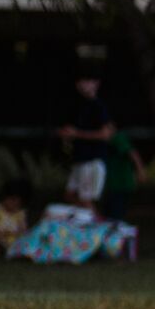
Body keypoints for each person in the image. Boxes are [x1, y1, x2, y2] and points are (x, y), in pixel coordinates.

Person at [58, 75, 115, 211]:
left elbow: (106, 134)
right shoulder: (80, 106)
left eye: (88, 81)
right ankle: (88, 219)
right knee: (69, 195)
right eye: (81, 81)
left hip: (92, 160)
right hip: (80, 159)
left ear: (96, 83)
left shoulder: (98, 106)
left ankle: (96, 226)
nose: (84, 85)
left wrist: (76, 133)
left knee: (85, 199)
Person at [100, 128, 145, 223]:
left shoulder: (118, 138)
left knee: (116, 214)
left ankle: (118, 234)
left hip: (121, 184)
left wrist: (140, 171)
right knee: (108, 214)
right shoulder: (104, 141)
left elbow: (132, 153)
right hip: (111, 185)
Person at [0, 180, 30, 257]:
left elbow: (23, 229)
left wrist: (17, 233)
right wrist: (0, 233)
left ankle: (14, 252)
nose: (14, 203)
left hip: (14, 238)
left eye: (18, 201)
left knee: (26, 240)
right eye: (12, 200)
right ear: (5, 198)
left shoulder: (20, 213)